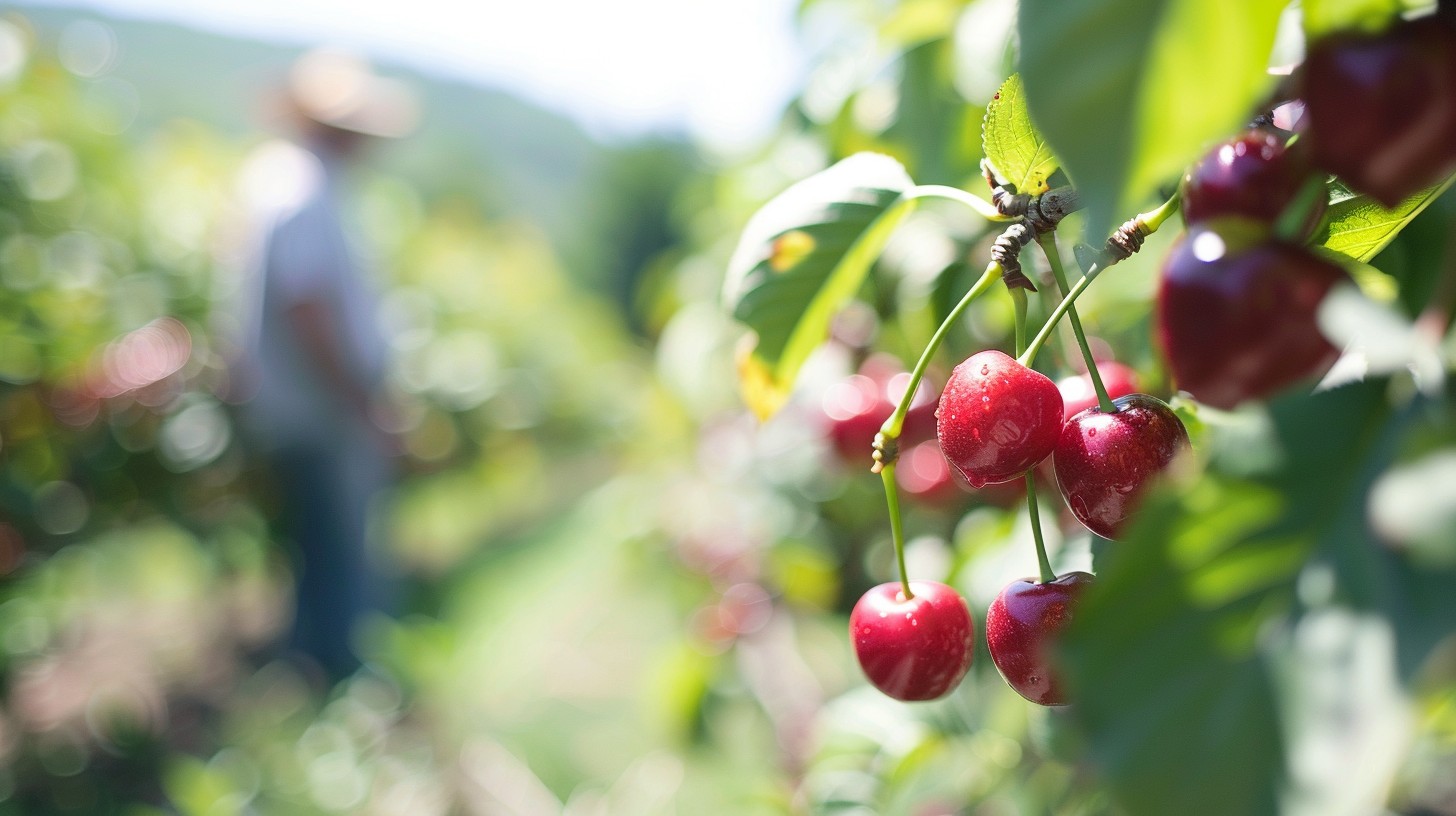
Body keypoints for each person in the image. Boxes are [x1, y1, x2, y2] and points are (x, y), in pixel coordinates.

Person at [229, 48, 418, 681]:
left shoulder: (287, 182)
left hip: (300, 404)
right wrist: (358, 400)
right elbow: (306, 303)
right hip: (318, 408)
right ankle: (335, 675)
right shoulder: (302, 189)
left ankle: (321, 670)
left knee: (315, 546)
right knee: (336, 547)